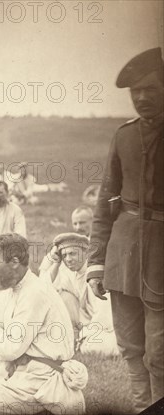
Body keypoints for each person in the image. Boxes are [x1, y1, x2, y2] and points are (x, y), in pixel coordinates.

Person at [87, 47, 164, 412]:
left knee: (160, 353)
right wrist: (96, 263)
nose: (143, 98)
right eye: (136, 93)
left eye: (150, 89)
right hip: (122, 256)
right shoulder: (124, 136)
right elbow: (105, 201)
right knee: (132, 348)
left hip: (162, 259)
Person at [0, 233, 86, 415]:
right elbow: (2, 317)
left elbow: (9, 350)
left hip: (40, 379)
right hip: (23, 372)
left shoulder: (34, 293)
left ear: (14, 262)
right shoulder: (18, 286)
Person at [40, 233, 95, 343]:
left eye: (72, 253)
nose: (68, 259)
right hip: (84, 324)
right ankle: (74, 337)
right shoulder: (70, 273)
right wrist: (56, 262)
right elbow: (44, 289)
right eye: (64, 256)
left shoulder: (94, 274)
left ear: (86, 253)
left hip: (104, 325)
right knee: (63, 296)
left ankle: (80, 340)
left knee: (97, 346)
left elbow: (103, 316)